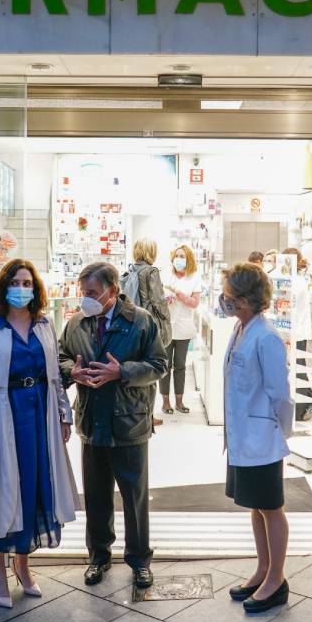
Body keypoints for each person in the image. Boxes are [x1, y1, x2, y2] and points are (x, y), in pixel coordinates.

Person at [0, 259, 78, 609]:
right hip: (3, 417)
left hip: (38, 415)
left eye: (27, 282)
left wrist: (63, 414)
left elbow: (55, 378)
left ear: (36, 288)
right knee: (3, 493)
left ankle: (24, 566)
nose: (22, 288)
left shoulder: (45, 325)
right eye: (15, 281)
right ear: (3, 288)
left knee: (32, 491)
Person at [59, 262, 168, 589]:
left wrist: (122, 372)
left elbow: (159, 364)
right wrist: (72, 372)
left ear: (111, 291)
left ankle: (139, 560)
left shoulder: (140, 321)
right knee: (95, 496)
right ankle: (98, 556)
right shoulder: (76, 323)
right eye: (83, 293)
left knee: (135, 496)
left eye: (91, 293)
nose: (85, 299)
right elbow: (61, 357)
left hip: (129, 422)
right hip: (92, 422)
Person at [219, 263, 294, 614]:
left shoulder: (266, 338)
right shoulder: (240, 329)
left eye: (229, 296)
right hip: (243, 436)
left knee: (271, 507)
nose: (225, 300)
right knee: (255, 506)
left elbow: (280, 394)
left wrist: (278, 430)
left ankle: (277, 579)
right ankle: (263, 569)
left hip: (261, 435)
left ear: (246, 300)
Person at [124, 238, 172, 425]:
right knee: (150, 369)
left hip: (132, 324)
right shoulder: (151, 272)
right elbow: (158, 301)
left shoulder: (130, 270)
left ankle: (136, 413)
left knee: (136, 368)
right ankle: (148, 416)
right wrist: (166, 318)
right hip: (149, 324)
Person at [281, 247, 312, 421]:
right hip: (296, 331)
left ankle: (304, 407)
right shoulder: (295, 280)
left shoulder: (295, 282)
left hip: (297, 332)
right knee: (298, 368)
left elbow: (289, 307)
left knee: (298, 369)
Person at [160, 244, 201, 415]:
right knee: (165, 365)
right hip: (167, 326)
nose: (179, 259)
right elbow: (157, 299)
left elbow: (195, 303)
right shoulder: (165, 275)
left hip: (184, 327)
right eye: (177, 255)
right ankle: (166, 403)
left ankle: (179, 401)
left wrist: (180, 295)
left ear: (188, 259)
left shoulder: (194, 277)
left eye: (182, 256)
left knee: (180, 365)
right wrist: (165, 299)